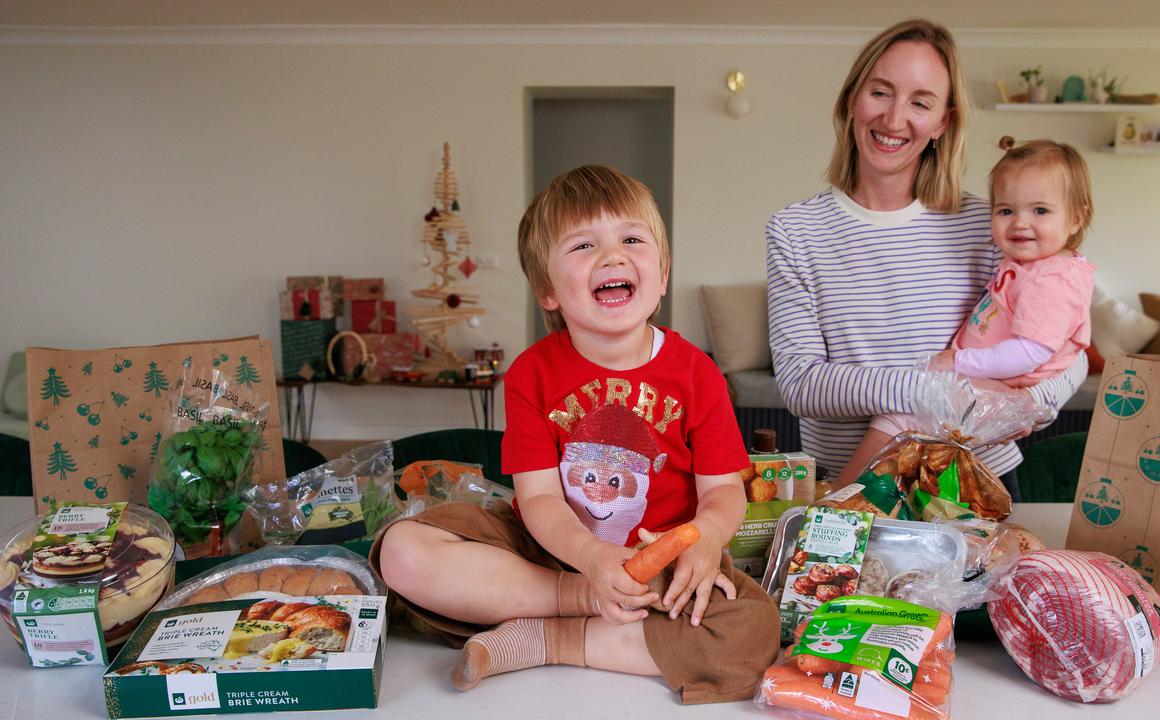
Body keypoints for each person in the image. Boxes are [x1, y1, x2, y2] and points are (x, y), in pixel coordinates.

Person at [373, 165, 779, 704]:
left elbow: (724, 492)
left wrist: (705, 540)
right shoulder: (530, 374)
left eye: (632, 240)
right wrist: (590, 569)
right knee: (402, 550)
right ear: (547, 290)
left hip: (661, 568)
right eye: (584, 245)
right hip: (545, 557)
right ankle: (580, 607)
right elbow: (538, 498)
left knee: (754, 634)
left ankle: (541, 639)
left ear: (661, 275)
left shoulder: (698, 374)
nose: (613, 256)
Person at [766, 19, 1087, 497]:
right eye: (881, 92)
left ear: (942, 122)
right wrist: (930, 389)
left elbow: (1066, 345)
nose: (895, 120)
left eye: (920, 102)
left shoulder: (990, 226)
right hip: (854, 487)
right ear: (852, 99)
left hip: (975, 481)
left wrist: (1028, 404)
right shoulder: (795, 231)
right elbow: (801, 385)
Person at [837, 136, 1096, 486]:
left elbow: (1029, 352)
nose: (1019, 223)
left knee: (899, 416)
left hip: (1001, 390)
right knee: (916, 438)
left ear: (1077, 219)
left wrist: (956, 362)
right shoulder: (1027, 264)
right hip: (992, 386)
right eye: (1006, 210)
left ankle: (841, 496)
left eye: (1040, 211)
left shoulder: (1052, 278)